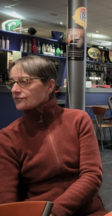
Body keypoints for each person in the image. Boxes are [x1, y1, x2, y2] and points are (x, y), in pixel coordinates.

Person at [0, 55, 106, 215]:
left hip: (87, 210)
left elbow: (92, 175)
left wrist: (54, 212)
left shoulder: (78, 120)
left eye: (24, 81)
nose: (14, 89)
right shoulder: (8, 137)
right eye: (12, 82)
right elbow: (7, 202)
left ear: (49, 86)